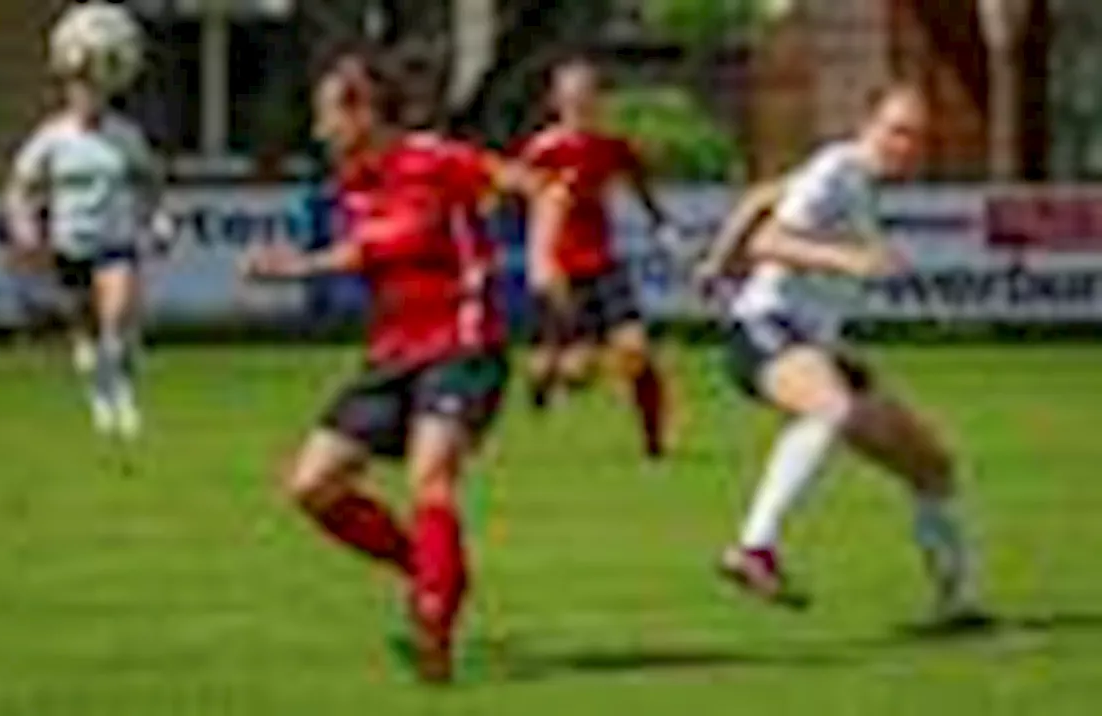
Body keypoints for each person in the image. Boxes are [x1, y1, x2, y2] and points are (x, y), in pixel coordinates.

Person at [242, 59, 567, 683]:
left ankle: (433, 621)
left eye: (327, 114)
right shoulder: (352, 180)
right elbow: (369, 249)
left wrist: (544, 260)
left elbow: (544, 187)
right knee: (311, 487)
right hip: (392, 352)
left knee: (430, 477)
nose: (318, 129)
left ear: (364, 111)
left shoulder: (437, 158)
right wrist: (299, 267)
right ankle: (430, 567)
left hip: (462, 343)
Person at [701, 84, 987, 626]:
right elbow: (769, 241)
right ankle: (753, 549)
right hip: (767, 326)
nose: (906, 145)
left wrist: (715, 262)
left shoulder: (853, 177)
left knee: (931, 465)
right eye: (896, 130)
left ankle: (959, 607)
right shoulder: (837, 167)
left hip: (817, 343)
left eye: (916, 137)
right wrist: (847, 260)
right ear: (867, 125)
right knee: (830, 409)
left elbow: (763, 195)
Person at [515, 56, 678, 459]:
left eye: (588, 95)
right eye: (572, 97)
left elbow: (639, 182)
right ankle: (544, 376)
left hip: (604, 264)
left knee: (636, 348)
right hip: (560, 271)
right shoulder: (542, 149)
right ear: (557, 101)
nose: (581, 105)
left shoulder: (611, 146)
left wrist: (662, 225)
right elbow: (519, 195)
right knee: (576, 372)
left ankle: (654, 441)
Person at [4, 58, 169, 441]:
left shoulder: (124, 135)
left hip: (116, 242)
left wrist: (157, 219)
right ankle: (99, 398)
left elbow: (149, 181)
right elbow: (21, 185)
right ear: (69, 95)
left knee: (118, 317)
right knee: (86, 334)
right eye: (79, 91)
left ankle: (126, 400)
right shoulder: (52, 137)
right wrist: (23, 225)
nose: (88, 98)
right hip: (70, 245)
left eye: (95, 91)